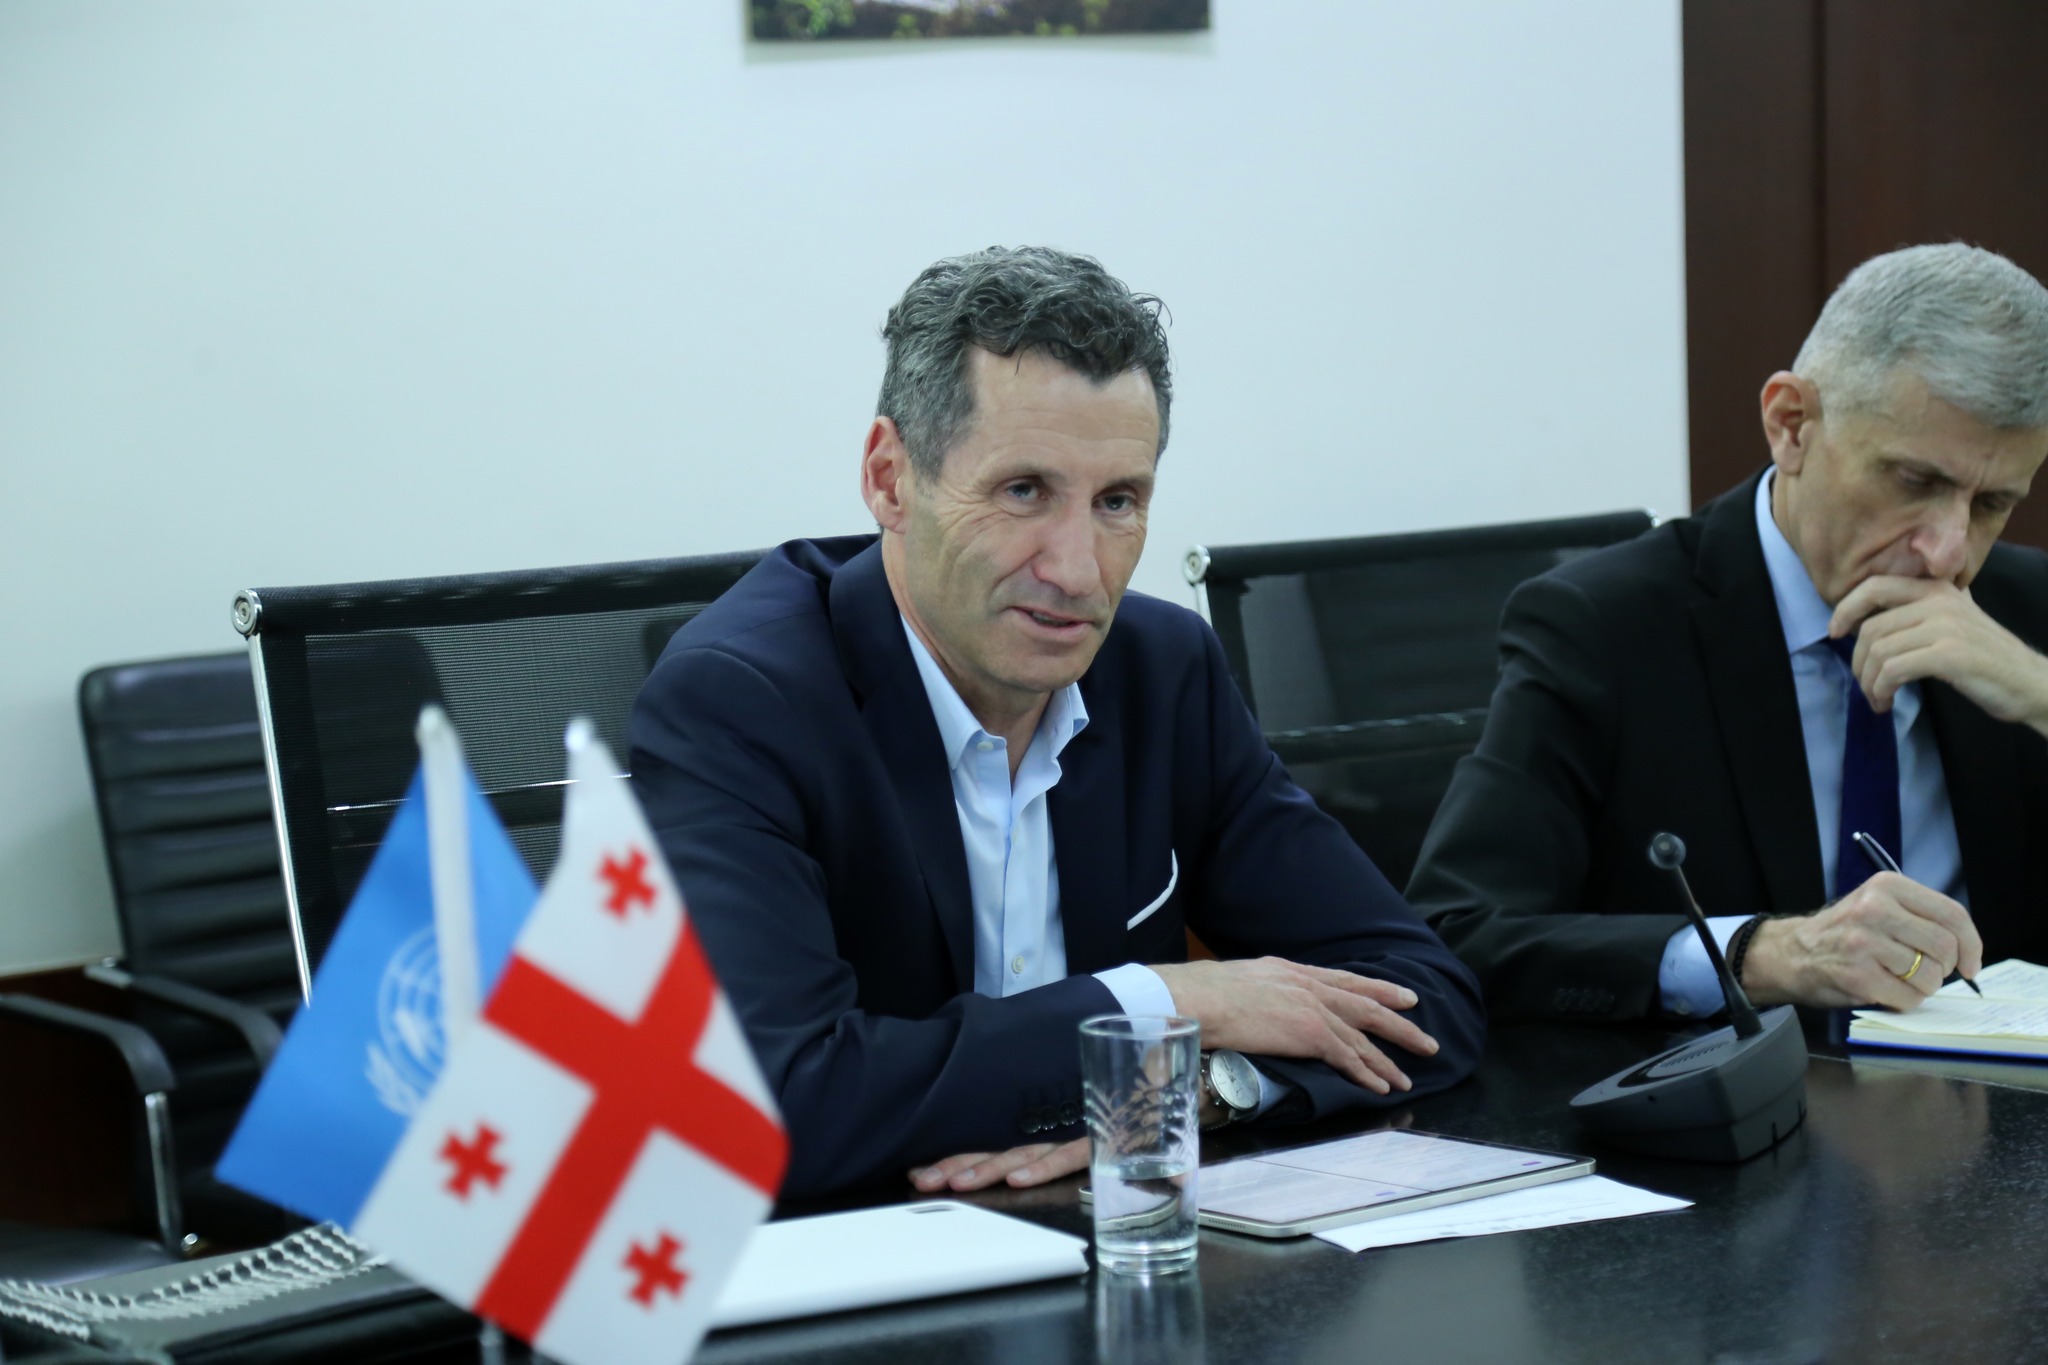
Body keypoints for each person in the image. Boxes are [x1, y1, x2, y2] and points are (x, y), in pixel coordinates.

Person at [630, 246, 1484, 1198]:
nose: (1078, 571)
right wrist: (1160, 1001)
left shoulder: (1163, 670)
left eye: (1118, 501)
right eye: (1023, 491)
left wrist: (1188, 1092)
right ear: (890, 479)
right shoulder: (741, 700)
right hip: (860, 1252)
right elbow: (773, 1106)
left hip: (1115, 1233)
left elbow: (1426, 999)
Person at [1408, 243, 2048, 1023]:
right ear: (1791, 424)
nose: (1948, 552)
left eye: (1992, 504)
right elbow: (1458, 933)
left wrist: (2040, 695)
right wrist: (1765, 954)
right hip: (1741, 1088)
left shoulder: (2027, 613)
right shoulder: (1604, 627)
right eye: (1915, 482)